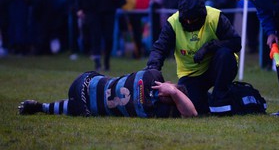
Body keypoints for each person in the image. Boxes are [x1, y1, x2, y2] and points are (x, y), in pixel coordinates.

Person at [146, 0, 241, 115]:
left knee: (225, 55)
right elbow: (159, 48)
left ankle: (220, 98)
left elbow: (235, 42)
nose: (189, 22)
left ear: (203, 14)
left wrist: (208, 47)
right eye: (186, 20)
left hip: (217, 67)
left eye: (194, 19)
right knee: (193, 108)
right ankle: (207, 98)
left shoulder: (215, 17)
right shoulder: (173, 23)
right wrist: (152, 72)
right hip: (191, 74)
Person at [18, 69, 197, 118]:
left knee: (78, 106)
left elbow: (191, 113)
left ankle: (41, 107)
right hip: (85, 94)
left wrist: (172, 90)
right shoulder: (156, 108)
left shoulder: (153, 78)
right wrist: (173, 92)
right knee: (81, 107)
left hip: (86, 89)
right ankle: (42, 107)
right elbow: (191, 113)